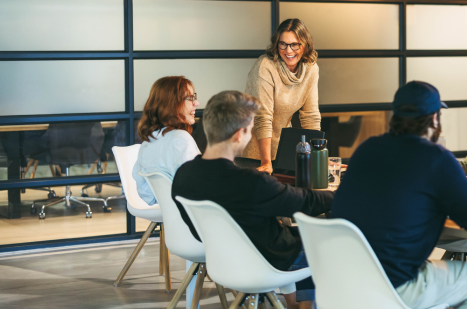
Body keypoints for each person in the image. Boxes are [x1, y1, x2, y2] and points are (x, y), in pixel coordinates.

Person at [332, 81, 467, 309]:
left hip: (344, 282)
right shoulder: (436, 158)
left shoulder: (366, 149)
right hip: (395, 287)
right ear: (434, 119)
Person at [171, 91, 334, 309]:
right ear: (239, 134)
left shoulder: (183, 175)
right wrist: (343, 194)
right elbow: (307, 202)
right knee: (329, 244)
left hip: (221, 261)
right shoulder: (251, 183)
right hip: (266, 261)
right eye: (251, 130)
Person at [237, 18, 321, 174]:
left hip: (281, 147)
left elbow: (310, 116)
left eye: (294, 44)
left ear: (305, 45)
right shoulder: (266, 66)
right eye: (283, 44)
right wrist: (266, 162)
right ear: (277, 45)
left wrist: (318, 155)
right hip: (250, 148)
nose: (288, 51)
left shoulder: (311, 69)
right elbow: (263, 117)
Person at [133, 76, 200, 205]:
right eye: (190, 98)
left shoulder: (148, 144)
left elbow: (147, 195)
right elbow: (197, 189)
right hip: (195, 218)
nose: (196, 103)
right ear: (172, 104)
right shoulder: (181, 140)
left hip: (172, 216)